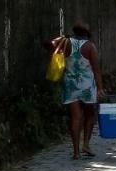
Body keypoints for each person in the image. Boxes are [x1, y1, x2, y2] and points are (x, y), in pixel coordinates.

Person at [44, 22, 103, 160]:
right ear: (87, 34)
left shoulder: (65, 42)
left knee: (75, 118)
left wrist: (59, 44)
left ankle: (76, 151)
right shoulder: (90, 46)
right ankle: (86, 144)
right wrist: (100, 87)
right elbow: (96, 69)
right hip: (87, 86)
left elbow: (47, 44)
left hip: (70, 85)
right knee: (90, 115)